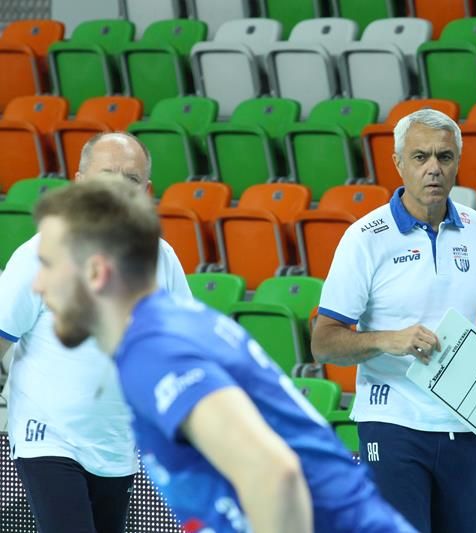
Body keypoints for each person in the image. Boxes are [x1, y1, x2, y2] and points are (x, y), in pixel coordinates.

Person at [31, 180, 417, 533]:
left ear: (96, 272)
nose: (38, 284)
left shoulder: (154, 350)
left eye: (47, 264)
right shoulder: (172, 323)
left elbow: (275, 474)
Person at [310, 109, 476, 533]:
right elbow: (324, 342)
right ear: (398, 163)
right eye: (420, 157)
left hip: (468, 423)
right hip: (392, 423)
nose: (433, 168)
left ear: (457, 162)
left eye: (444, 156)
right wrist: (386, 340)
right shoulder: (364, 238)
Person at [0, 132, 191, 533]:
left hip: (116, 446)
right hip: (47, 438)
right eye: (107, 175)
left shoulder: (161, 259)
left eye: (131, 178)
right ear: (80, 182)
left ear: (146, 191)